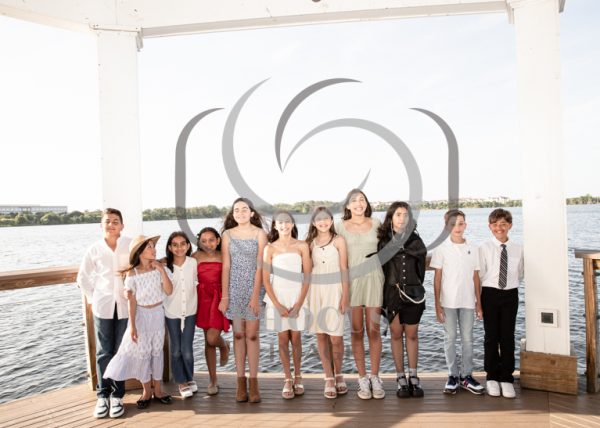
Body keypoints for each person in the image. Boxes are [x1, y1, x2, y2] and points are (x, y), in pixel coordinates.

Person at [103, 235, 174, 410]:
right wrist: (133, 326)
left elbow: (169, 291)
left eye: (153, 246)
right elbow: (132, 302)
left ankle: (158, 390)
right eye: (149, 247)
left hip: (157, 314)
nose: (154, 249)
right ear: (140, 252)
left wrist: (161, 269)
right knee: (143, 353)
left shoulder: (160, 268)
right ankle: (146, 392)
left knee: (157, 352)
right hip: (141, 316)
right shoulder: (132, 274)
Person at [77, 208, 131, 419]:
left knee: (120, 351)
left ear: (122, 225)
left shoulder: (129, 245)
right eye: (107, 221)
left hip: (125, 306)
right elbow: (83, 278)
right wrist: (93, 298)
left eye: (115, 221)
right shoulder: (94, 249)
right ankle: (103, 395)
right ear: (101, 225)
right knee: (103, 352)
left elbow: (140, 266)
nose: (111, 224)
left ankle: (117, 396)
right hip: (103, 306)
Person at [336, 189, 385, 400]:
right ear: (347, 206)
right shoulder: (339, 226)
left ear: (366, 203)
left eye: (362, 199)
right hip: (351, 282)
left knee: (374, 330)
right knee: (357, 331)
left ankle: (375, 377)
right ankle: (362, 378)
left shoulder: (377, 224)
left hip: (374, 279)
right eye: (354, 200)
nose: (358, 203)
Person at [218, 197, 267, 403]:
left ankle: (254, 383)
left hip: (255, 288)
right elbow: (226, 266)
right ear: (233, 214)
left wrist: (255, 296)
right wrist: (225, 296)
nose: (240, 213)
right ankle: (241, 383)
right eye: (236, 210)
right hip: (234, 289)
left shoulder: (260, 233)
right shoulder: (227, 235)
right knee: (238, 335)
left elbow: (261, 266)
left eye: (244, 209)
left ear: (252, 213)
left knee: (252, 336)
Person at [430, 209, 484, 395]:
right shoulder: (441, 249)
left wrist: (479, 303)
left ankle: (466, 376)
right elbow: (437, 278)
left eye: (460, 223)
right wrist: (437, 305)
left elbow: (476, 277)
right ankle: (452, 375)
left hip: (468, 301)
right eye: (453, 224)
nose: (457, 227)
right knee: (450, 338)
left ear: (465, 225)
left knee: (468, 339)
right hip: (448, 302)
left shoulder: (474, 248)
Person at [377, 202, 427, 398]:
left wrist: (413, 286)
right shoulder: (384, 242)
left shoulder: (416, 240)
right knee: (396, 334)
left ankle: (413, 376)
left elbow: (421, 270)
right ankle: (400, 378)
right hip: (392, 294)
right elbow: (382, 270)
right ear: (391, 217)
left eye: (405, 215)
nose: (402, 218)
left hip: (414, 293)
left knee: (412, 335)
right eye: (398, 214)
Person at [263, 211, 311, 399]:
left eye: (287, 222)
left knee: (296, 338)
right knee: (282, 339)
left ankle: (298, 376)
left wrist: (299, 304)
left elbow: (307, 276)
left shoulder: (302, 245)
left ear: (292, 224)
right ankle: (288, 378)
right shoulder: (269, 248)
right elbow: (266, 280)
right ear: (275, 226)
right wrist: (277, 305)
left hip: (297, 296)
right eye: (280, 223)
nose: (284, 225)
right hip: (278, 297)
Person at [478, 208, 524, 399]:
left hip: (510, 294)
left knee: (507, 336)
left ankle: (506, 378)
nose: (500, 228)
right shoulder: (484, 247)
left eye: (503, 224)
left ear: (510, 225)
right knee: (491, 337)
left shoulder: (518, 248)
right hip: (489, 293)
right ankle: (491, 377)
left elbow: (519, 273)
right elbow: (480, 274)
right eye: (495, 224)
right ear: (490, 226)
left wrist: (509, 286)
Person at [306, 206, 350, 399]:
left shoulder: (339, 240)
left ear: (332, 220)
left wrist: (345, 295)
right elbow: (306, 270)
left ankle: (339, 374)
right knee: (321, 335)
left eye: (326, 219)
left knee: (336, 337)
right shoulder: (310, 244)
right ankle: (329, 378)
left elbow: (344, 269)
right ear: (314, 222)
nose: (323, 222)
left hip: (335, 289)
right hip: (316, 291)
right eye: (319, 219)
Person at [193, 227, 231, 396]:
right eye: (204, 241)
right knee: (207, 342)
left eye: (211, 240)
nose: (207, 244)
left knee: (212, 337)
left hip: (220, 298)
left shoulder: (224, 255)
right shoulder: (195, 256)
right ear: (199, 242)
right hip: (202, 299)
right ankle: (213, 380)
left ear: (218, 240)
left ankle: (223, 346)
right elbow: (178, 265)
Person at [163, 232, 198, 399]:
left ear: (188, 245)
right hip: (172, 312)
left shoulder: (193, 263)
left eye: (183, 244)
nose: (179, 248)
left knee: (187, 350)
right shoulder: (165, 266)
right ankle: (181, 382)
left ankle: (189, 377)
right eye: (175, 245)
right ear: (170, 248)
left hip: (190, 311)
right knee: (176, 349)